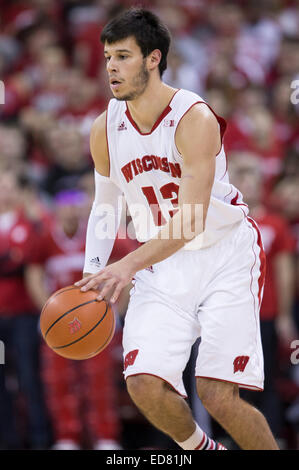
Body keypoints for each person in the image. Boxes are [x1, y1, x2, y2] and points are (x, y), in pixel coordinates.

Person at [75, 8, 279, 450]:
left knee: (216, 393)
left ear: (153, 58)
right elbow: (105, 206)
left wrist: (125, 265)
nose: (111, 66)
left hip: (223, 254)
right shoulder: (103, 129)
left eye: (124, 56)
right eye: (108, 55)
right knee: (143, 384)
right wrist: (93, 272)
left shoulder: (193, 117)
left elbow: (189, 220)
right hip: (160, 263)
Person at [228, 151, 297, 446]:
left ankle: (272, 438)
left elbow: (284, 272)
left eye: (251, 174)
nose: (246, 180)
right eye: (239, 174)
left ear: (261, 181)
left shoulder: (274, 223)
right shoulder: (222, 221)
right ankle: (235, 437)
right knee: (230, 380)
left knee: (265, 378)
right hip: (228, 315)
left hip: (264, 314)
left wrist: (283, 316)